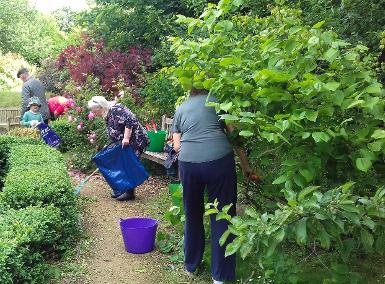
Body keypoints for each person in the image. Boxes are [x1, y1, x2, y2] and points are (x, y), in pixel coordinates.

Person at [172, 88, 257, 284]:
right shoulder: (218, 102)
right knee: (222, 215)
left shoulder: (181, 108)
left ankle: (191, 266)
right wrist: (246, 166)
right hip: (219, 161)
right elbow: (235, 136)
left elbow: (177, 147)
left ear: (190, 92)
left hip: (189, 164)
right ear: (209, 89)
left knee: (192, 213)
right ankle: (220, 277)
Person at [88, 96, 150, 201]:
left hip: (136, 139)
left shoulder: (116, 109)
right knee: (122, 163)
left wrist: (126, 138)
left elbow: (130, 120)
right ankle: (124, 189)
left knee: (128, 163)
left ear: (100, 107)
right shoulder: (107, 114)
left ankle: (130, 193)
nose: (93, 113)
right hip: (125, 142)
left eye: (94, 111)